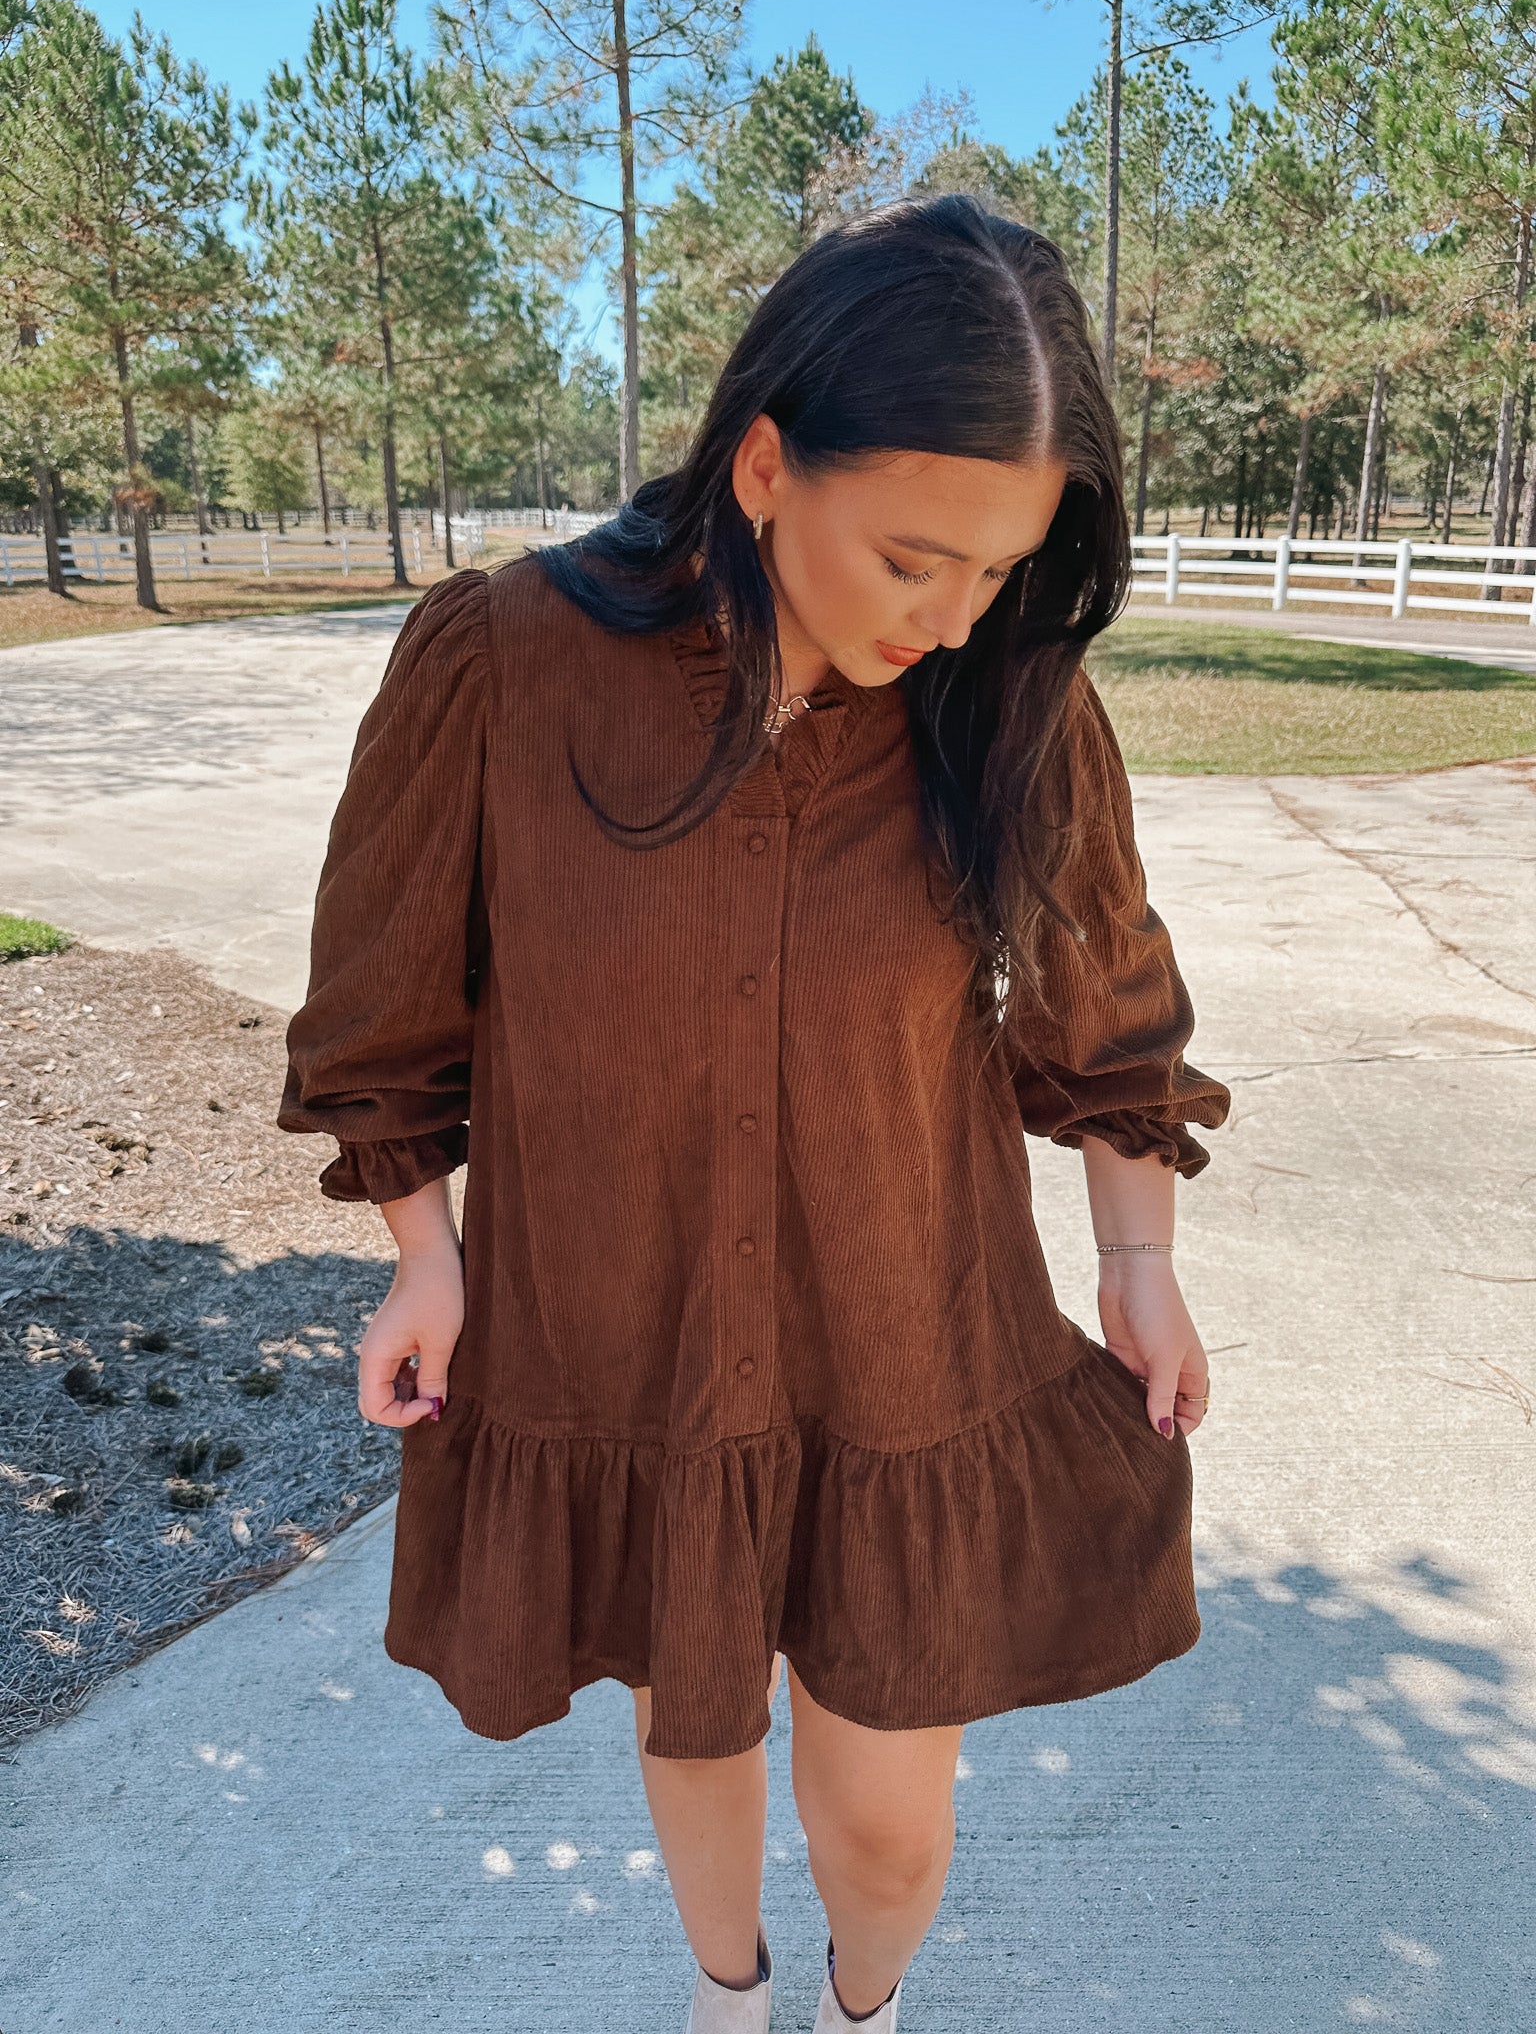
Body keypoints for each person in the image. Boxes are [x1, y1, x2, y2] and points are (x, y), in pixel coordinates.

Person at [277, 192, 1230, 2033]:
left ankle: (867, 2011)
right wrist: (424, 1254)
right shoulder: (502, 660)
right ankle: (727, 1999)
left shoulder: (1014, 700)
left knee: (885, 1825)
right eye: (915, 559)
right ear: (769, 464)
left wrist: (1140, 1261)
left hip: (905, 1342)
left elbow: (1107, 1012)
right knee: (691, 1721)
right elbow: (388, 1001)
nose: (955, 617)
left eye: (999, 569)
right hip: (631, 1329)